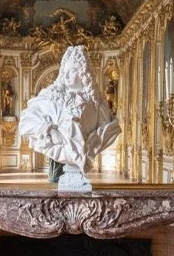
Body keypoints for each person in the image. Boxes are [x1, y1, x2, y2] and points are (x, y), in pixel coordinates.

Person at [18, 45, 120, 187]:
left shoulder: (97, 103)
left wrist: (91, 144)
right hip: (61, 151)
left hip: (83, 156)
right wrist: (49, 130)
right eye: (64, 71)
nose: (65, 75)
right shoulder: (51, 96)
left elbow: (109, 129)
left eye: (71, 71)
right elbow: (25, 122)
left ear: (83, 72)